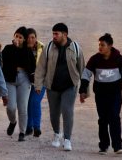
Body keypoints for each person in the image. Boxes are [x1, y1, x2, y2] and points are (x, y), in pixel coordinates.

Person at [80, 33, 122, 155]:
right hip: (100, 95)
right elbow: (86, 74)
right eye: (99, 45)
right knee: (103, 120)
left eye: (103, 45)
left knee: (114, 118)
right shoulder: (95, 59)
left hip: (115, 95)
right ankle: (103, 146)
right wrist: (83, 90)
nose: (100, 47)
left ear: (110, 46)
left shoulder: (119, 59)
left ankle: (117, 146)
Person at [34, 22, 85, 152]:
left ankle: (67, 139)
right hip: (52, 86)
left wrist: (84, 90)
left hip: (70, 86)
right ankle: (57, 134)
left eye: (56, 34)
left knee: (67, 111)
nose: (54, 36)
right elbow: (41, 68)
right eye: (53, 33)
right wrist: (38, 84)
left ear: (65, 35)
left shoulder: (75, 48)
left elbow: (82, 69)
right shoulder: (49, 47)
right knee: (54, 113)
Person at [2, 26, 37, 141]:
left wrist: (35, 82)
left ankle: (22, 132)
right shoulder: (7, 49)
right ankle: (12, 122)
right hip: (10, 79)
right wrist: (15, 49)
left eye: (20, 37)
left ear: (25, 39)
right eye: (16, 36)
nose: (17, 39)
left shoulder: (27, 51)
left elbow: (32, 66)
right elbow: (4, 62)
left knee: (23, 107)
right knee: (11, 107)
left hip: (24, 79)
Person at [24, 28, 46, 138]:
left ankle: (36, 127)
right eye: (28, 37)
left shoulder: (43, 48)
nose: (30, 40)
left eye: (33, 37)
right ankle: (29, 127)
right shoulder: (22, 49)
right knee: (28, 103)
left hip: (41, 81)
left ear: (36, 38)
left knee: (35, 102)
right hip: (27, 81)